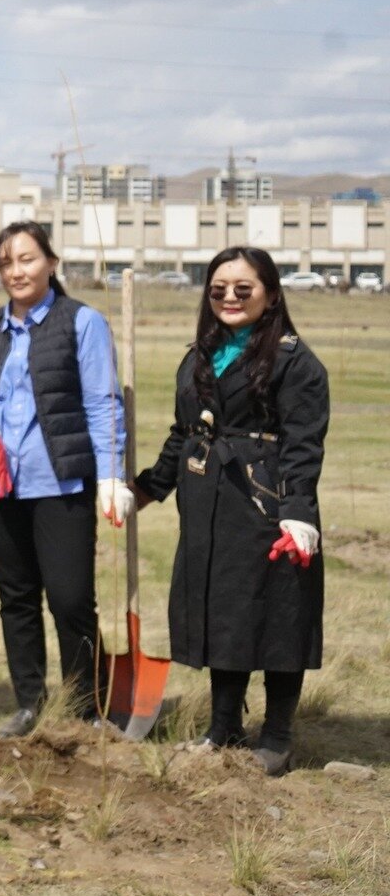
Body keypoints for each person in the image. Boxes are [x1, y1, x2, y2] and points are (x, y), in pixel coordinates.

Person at [133, 246, 328, 776]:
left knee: (278, 615)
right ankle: (223, 728)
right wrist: (147, 489)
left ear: (270, 294)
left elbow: (303, 444)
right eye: (219, 289)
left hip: (265, 502)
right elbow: (186, 434)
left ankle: (278, 737)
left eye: (244, 289)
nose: (230, 298)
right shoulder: (201, 352)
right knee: (225, 615)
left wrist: (298, 510)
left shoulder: (295, 361)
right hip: (208, 504)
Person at [0, 222, 123, 737]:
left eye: (27, 259)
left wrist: (110, 475)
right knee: (16, 598)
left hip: (61, 485)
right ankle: (30, 703)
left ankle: (85, 707)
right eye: (6, 262)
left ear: (52, 262)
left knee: (71, 599)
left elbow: (103, 403)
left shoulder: (83, 323)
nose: (17, 271)